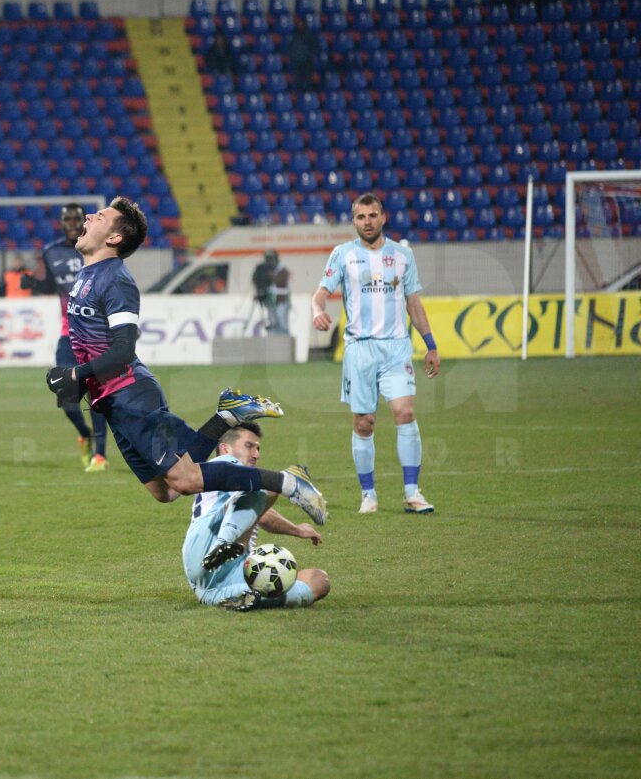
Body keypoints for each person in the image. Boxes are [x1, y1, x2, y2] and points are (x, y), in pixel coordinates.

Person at [45, 196, 328, 520]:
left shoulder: (116, 280)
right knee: (166, 491)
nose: (90, 215)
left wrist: (76, 376)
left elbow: (123, 351)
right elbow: (92, 343)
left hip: (131, 397)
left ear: (114, 238)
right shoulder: (85, 276)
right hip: (111, 405)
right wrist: (79, 381)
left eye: (100, 216)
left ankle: (290, 482)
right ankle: (226, 417)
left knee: (187, 479)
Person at [310, 192, 441, 515]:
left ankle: (412, 492)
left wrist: (431, 344)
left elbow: (414, 302)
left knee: (405, 413)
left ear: (383, 217)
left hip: (396, 347)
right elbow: (321, 293)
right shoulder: (342, 254)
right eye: (360, 217)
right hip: (360, 350)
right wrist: (317, 310)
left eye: (372, 215)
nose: (367, 222)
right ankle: (368, 494)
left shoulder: (402, 255)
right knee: (364, 423)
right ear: (354, 221)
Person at [184, 423, 331, 611]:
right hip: (205, 545)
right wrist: (295, 528)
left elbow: (260, 513)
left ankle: (251, 596)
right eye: (249, 446)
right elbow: (262, 505)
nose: (256, 454)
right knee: (266, 484)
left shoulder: (242, 487)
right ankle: (223, 544)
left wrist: (297, 530)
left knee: (319, 581)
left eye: (258, 448)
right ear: (225, 448)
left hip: (214, 585)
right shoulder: (221, 466)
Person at [23, 203, 110, 472]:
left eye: (76, 218)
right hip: (68, 333)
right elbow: (51, 285)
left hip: (97, 333)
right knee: (65, 395)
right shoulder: (51, 252)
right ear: (62, 223)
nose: (72, 222)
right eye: (67, 219)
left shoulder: (100, 248)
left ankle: (100, 455)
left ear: (83, 221)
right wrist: (33, 284)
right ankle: (83, 434)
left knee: (97, 395)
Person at [287, 17, 320, 93]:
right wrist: (293, 57)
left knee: (307, 82)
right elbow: (290, 48)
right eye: (298, 24)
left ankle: (307, 96)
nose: (300, 25)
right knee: (297, 81)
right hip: (296, 62)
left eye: (301, 24)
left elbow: (315, 48)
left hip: (307, 63)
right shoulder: (293, 36)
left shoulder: (310, 35)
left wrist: (309, 56)